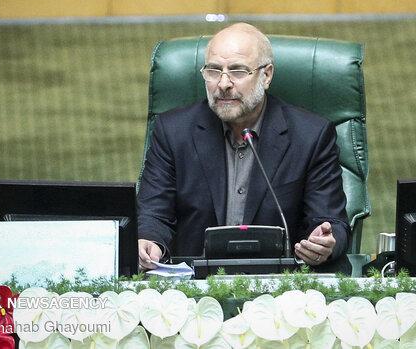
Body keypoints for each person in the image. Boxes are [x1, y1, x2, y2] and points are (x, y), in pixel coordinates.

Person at [137, 23, 349, 270]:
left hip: (279, 282)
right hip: (194, 282)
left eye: (237, 71)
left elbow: (331, 222)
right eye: (214, 71)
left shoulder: (311, 136)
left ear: (266, 76)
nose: (223, 83)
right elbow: (153, 213)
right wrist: (149, 241)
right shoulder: (173, 132)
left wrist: (324, 243)